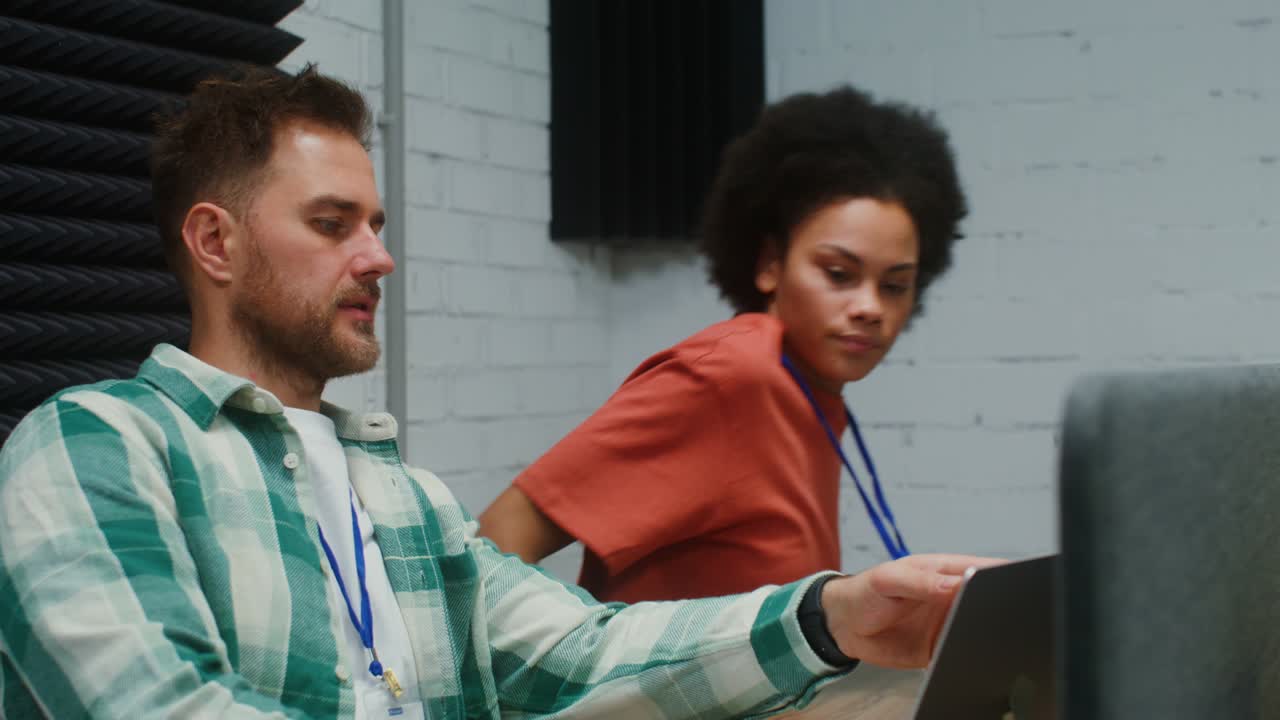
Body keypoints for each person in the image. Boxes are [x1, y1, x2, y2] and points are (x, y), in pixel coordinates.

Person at [0, 65, 993, 719]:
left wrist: (831, 617)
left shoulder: (401, 497)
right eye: (333, 222)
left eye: (377, 223)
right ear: (214, 242)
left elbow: (581, 650)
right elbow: (149, 705)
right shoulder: (91, 449)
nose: (378, 257)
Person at [478, 86, 969, 604]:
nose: (871, 306)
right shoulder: (733, 375)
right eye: (839, 273)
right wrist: (554, 667)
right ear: (768, 265)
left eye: (894, 285)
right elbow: (498, 540)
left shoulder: (810, 385)